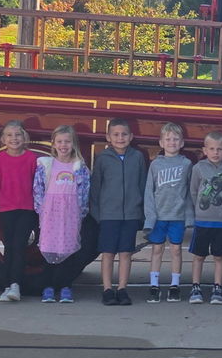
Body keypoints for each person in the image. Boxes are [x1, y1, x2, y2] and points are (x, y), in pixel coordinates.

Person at [91, 118, 147, 306]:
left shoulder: (137, 157)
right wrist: (98, 214)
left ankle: (122, 288)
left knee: (125, 253)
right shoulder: (102, 158)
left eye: (124, 134)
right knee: (108, 253)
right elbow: (96, 187)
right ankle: (107, 289)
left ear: (131, 137)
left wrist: (140, 212)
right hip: (108, 215)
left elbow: (142, 184)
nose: (120, 138)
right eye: (116, 134)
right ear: (108, 137)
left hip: (131, 214)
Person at [34, 125, 90, 303]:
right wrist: (41, 210)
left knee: (68, 249)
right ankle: (48, 286)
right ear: (53, 144)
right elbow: (38, 188)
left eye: (67, 141)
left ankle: (66, 286)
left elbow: (84, 191)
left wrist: (80, 212)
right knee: (49, 249)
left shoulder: (78, 166)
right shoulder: (47, 165)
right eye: (59, 141)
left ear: (73, 144)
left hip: (70, 213)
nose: (63, 145)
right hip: (50, 212)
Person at [144, 122, 194, 303]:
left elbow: (189, 193)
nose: (172, 142)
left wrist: (189, 216)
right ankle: (154, 285)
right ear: (161, 143)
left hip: (177, 216)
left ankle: (175, 286)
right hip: (159, 216)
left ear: (182, 143)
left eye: (175, 139)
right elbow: (149, 192)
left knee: (176, 250)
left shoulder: (187, 164)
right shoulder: (155, 165)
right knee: (156, 250)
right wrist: (150, 218)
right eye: (168, 139)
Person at [0, 120, 39, 302]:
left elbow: (37, 183)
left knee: (19, 245)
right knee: (9, 247)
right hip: (6, 208)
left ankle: (16, 285)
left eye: (18, 134)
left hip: (27, 208)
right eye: (9, 135)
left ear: (25, 137)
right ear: (3, 139)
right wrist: (2, 202)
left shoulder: (32, 159)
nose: (14, 138)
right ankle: (6, 285)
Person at [188, 130, 222, 305]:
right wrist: (198, 211)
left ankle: (218, 288)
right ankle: (195, 287)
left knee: (219, 256)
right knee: (199, 255)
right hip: (202, 220)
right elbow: (194, 191)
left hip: (221, 222)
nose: (216, 152)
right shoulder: (198, 168)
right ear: (205, 150)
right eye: (212, 149)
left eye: (220, 149)